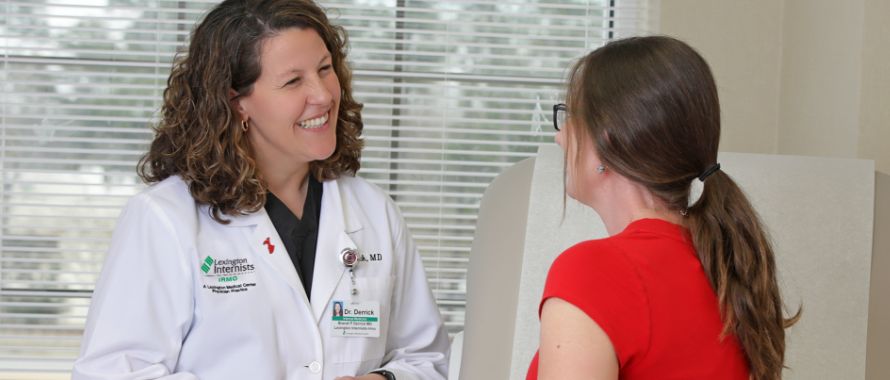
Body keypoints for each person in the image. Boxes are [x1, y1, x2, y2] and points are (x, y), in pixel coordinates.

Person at [72, 1, 449, 379]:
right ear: (237, 103)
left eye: (324, 69)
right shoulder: (165, 219)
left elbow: (428, 358)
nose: (323, 95)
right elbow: (110, 372)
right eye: (293, 81)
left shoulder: (372, 210)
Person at [526, 36, 800, 380]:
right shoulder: (725, 264)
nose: (560, 136)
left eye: (570, 117)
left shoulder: (592, 272)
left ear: (608, 138)